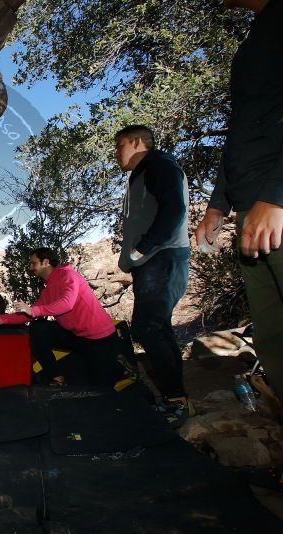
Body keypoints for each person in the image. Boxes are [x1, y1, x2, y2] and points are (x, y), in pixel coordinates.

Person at [195, 0, 283, 407]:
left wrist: (276, 197)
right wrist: (219, 202)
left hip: (273, 205)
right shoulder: (255, 39)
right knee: (272, 333)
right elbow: (243, 126)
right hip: (251, 207)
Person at [114, 124, 192, 424]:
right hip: (151, 262)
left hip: (162, 258)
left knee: (149, 328)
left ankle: (177, 401)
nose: (116, 153)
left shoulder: (160, 165)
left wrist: (141, 250)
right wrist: (131, 259)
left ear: (137, 142)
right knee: (156, 328)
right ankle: (175, 397)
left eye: (120, 145)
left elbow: (175, 209)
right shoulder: (142, 174)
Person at [0, 247, 127, 389]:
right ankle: (56, 378)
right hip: (78, 337)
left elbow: (66, 303)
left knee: (102, 389)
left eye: (33, 263)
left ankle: (120, 365)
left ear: (46, 262)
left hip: (100, 339)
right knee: (38, 329)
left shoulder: (68, 276)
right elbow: (27, 315)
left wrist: (34, 310)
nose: (31, 267)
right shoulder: (48, 290)